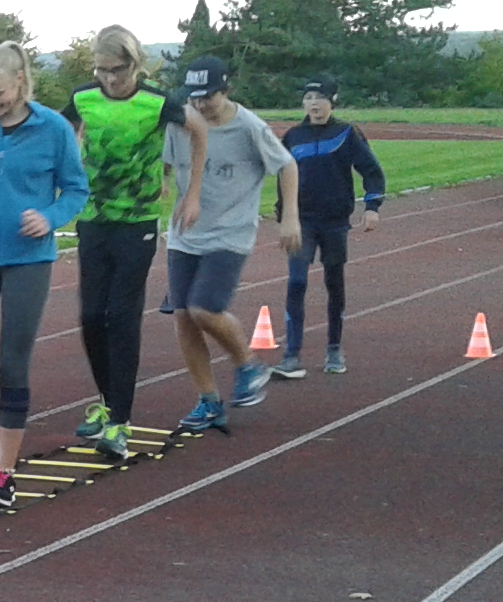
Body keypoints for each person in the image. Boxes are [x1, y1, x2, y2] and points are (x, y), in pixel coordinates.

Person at [0, 42, 90, 509]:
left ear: (22, 81)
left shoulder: (53, 130)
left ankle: (4, 471)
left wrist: (50, 216)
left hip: (29, 259)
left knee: (11, 363)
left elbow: (76, 189)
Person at [66, 26, 207, 460]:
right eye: (102, 70)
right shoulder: (83, 98)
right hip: (92, 217)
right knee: (91, 316)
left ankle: (120, 422)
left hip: (137, 220)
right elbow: (61, 133)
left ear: (134, 64)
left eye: (117, 70)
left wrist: (191, 191)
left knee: (122, 316)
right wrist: (67, 166)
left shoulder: (157, 102)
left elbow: (198, 131)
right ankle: (107, 404)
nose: (109, 79)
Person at [165, 56, 299, 433]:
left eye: (208, 97)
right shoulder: (182, 123)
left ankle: (248, 364)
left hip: (230, 232)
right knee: (183, 315)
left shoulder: (248, 127)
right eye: (194, 98)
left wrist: (290, 217)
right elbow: (167, 161)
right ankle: (208, 401)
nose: (200, 105)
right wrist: (160, 180)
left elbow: (286, 166)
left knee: (204, 308)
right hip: (184, 232)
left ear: (225, 91)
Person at [275, 75, 385, 377]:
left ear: (332, 101)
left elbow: (372, 171)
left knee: (333, 283)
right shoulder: (293, 136)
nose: (314, 104)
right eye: (309, 98)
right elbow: (282, 180)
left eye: (320, 98)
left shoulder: (346, 133)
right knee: (296, 282)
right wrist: (285, 216)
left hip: (335, 222)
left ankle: (334, 348)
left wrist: (372, 206)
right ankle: (291, 354)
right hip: (303, 221)